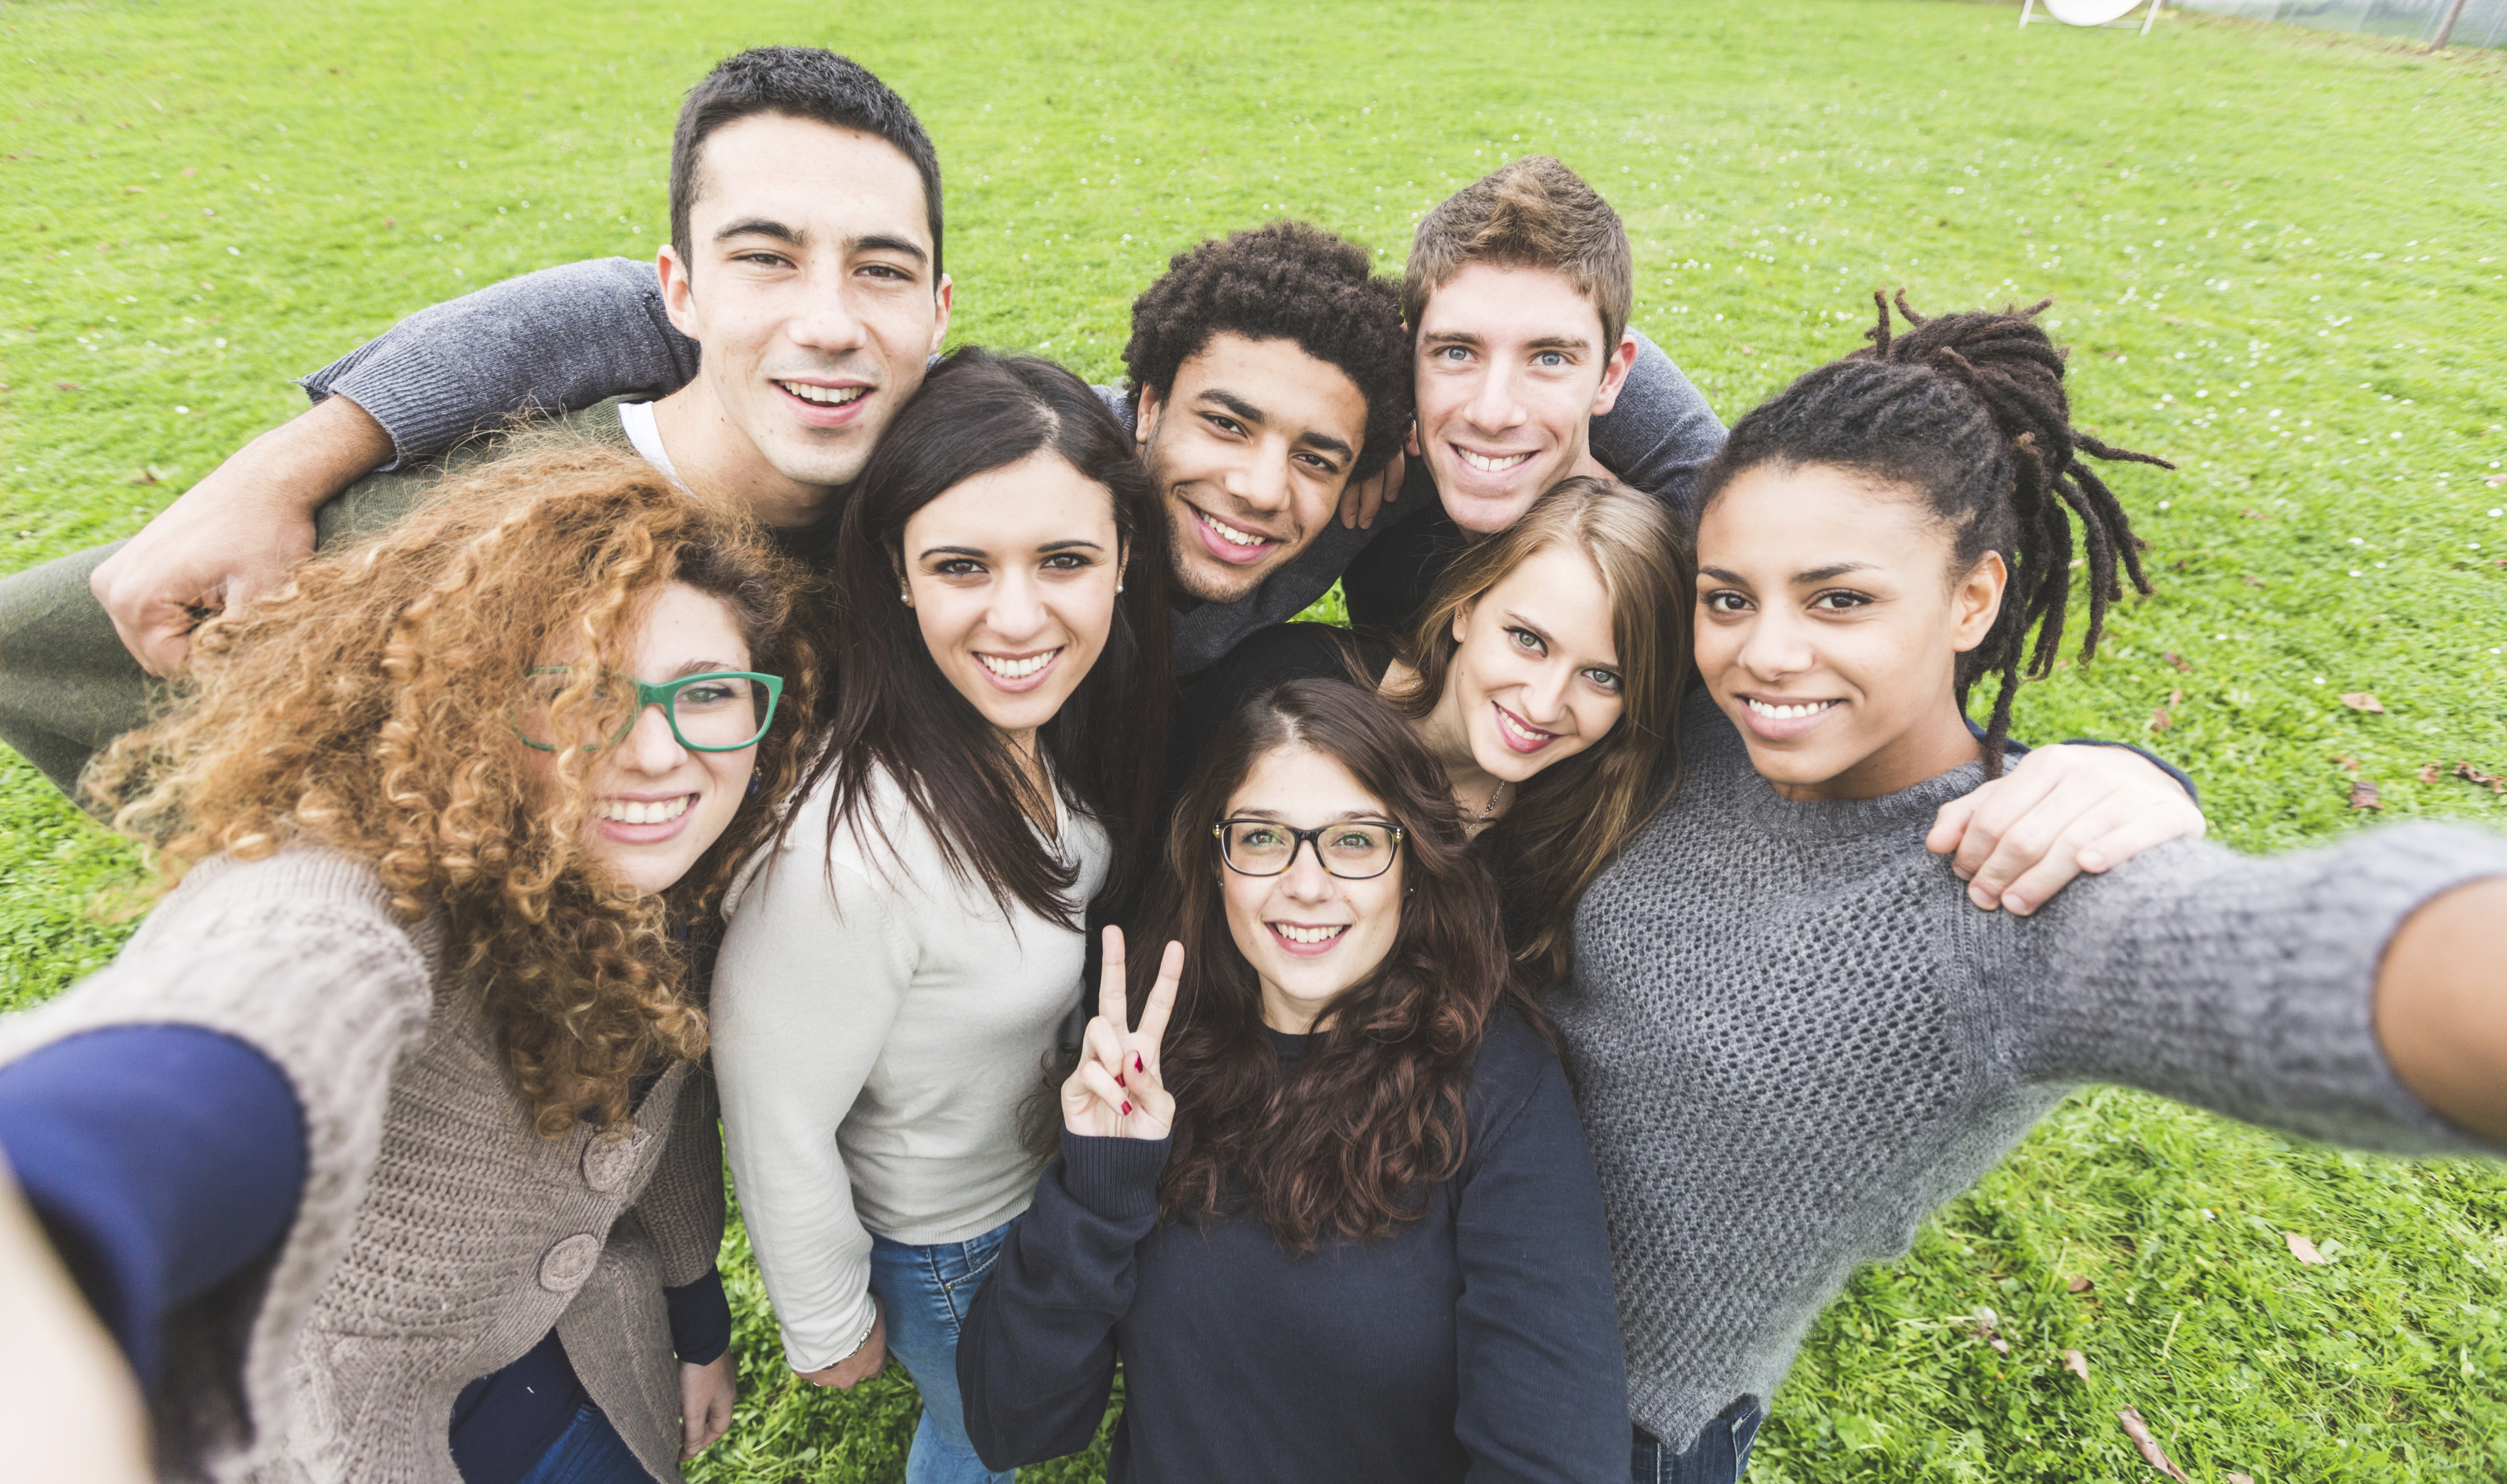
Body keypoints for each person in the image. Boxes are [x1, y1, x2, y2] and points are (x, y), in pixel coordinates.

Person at [1551, 294, 2507, 1483]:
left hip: (1610, 1432)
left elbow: (2304, 965)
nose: (1766, 652)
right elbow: (1561, 342)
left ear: (1976, 598)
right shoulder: (1718, 712)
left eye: (1840, 599)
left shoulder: (2020, 896)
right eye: (1729, 596)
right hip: (1435, 1288)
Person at [0, 444, 824, 1483]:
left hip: (587, 1374)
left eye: (706, 692)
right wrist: (66, 1180)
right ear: (469, 703)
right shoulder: (365, 867)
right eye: (574, 690)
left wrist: (696, 1309)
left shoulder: (685, 873)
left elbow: (655, 1098)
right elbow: (277, 981)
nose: (654, 752)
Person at [0, 45, 946, 795]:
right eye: (765, 258)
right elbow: (43, 642)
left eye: (883, 270)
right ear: (681, 292)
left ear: (938, 312)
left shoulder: (984, 509)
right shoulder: (431, 546)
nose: (828, 325)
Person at [957, 678, 1628, 1482]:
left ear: (1410, 865)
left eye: (1353, 841)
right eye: (1264, 836)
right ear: (1214, 864)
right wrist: (1099, 1186)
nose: (1306, 883)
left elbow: (1555, 1458)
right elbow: (1012, 1423)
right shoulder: (1152, 1062)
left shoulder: (1498, 1084)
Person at [704, 349, 1170, 1483]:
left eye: (1065, 558)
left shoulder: (1019, 726)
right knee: (979, 1447)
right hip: (954, 1245)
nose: (1018, 616)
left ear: (1122, 565)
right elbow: (774, 1109)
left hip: (1041, 1190)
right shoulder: (849, 850)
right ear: (901, 577)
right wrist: (824, 1321)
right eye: (962, 564)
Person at [1183, 477, 2206, 987]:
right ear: (1462, 608)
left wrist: (2138, 775)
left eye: (1602, 675)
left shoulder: (1598, 798)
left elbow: (1874, 749)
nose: (1545, 704)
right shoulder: (1293, 691)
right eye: (1526, 639)